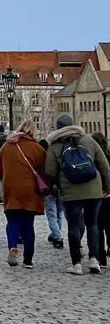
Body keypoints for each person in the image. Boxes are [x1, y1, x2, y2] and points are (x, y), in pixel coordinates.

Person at [44, 115, 110, 275]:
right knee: (93, 224)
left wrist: (55, 186)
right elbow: (104, 166)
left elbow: (50, 171)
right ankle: (94, 260)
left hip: (70, 190)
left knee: (74, 226)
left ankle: (77, 264)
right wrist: (107, 187)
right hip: (93, 189)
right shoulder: (89, 140)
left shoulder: (54, 146)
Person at [0, 120, 46, 268]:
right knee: (28, 225)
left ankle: (12, 246)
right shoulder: (38, 149)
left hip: (11, 190)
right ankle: (28, 260)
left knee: (12, 222)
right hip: (30, 191)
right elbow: (44, 172)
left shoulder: (6, 147)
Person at [94, 133, 110, 269]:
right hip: (109, 195)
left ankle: (100, 257)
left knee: (97, 226)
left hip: (96, 195)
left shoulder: (93, 158)